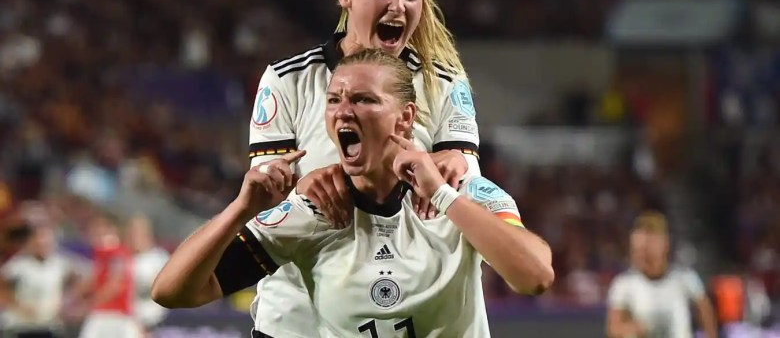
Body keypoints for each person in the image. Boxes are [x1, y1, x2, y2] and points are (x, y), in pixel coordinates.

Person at [152, 49, 554, 337]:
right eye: (334, 100)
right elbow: (173, 291)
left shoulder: (461, 188)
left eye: (363, 100)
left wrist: (443, 196)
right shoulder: (312, 211)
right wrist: (240, 209)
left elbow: (535, 276)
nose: (343, 111)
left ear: (406, 118)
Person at [245, 0, 482, 338]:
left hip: (404, 318)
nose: (398, 6)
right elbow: (264, 197)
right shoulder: (288, 80)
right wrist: (300, 188)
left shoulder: (443, 83)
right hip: (298, 321)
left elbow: (468, 196)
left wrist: (456, 166)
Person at [606, 211, 718, 338]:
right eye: (637, 250)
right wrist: (632, 328)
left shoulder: (685, 278)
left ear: (664, 244)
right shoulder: (624, 284)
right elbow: (613, 328)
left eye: (646, 249)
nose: (641, 255)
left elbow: (705, 311)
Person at [0, 223, 83, 338]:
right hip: (20, 325)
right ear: (31, 242)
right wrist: (18, 306)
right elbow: (2, 288)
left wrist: (68, 299)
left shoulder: (59, 263)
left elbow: (81, 278)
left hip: (49, 324)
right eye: (39, 240)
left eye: (47, 241)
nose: (43, 244)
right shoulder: (18, 265)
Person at [78, 213, 141, 338]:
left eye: (99, 227)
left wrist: (90, 304)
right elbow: (94, 281)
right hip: (106, 314)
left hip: (114, 316)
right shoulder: (101, 253)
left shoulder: (116, 252)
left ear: (112, 229)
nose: (94, 231)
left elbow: (116, 284)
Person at [125, 215, 169, 336]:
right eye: (133, 233)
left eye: (139, 233)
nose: (135, 237)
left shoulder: (159, 257)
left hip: (154, 321)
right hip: (128, 320)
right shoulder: (125, 258)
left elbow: (161, 287)